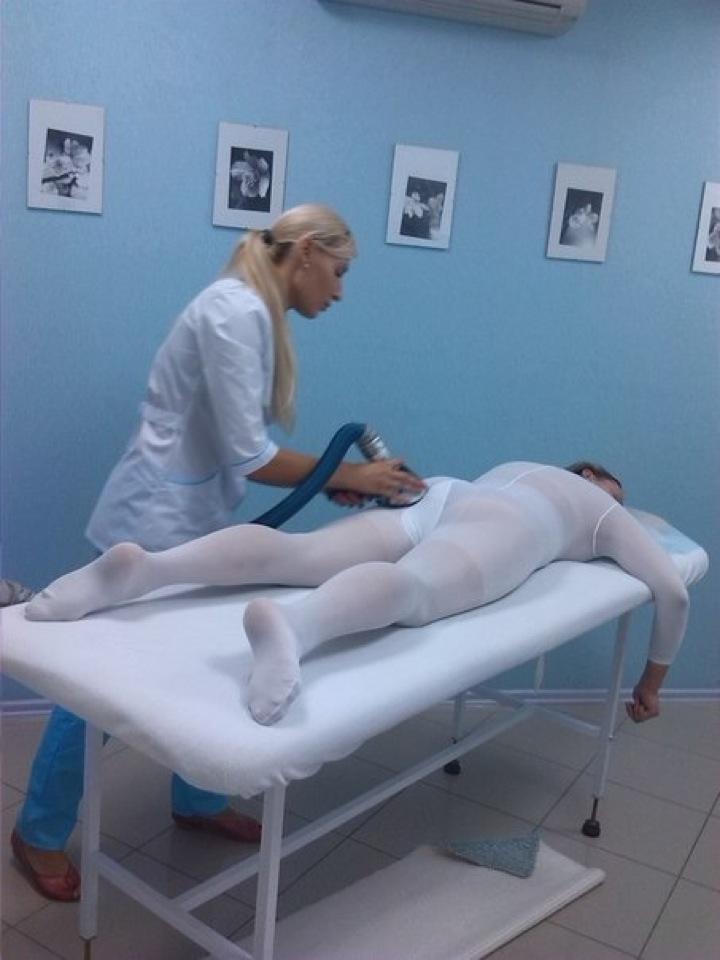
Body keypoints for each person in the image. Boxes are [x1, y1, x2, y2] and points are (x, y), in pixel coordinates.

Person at [12, 203, 425, 903]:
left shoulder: (256, 314)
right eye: (339, 271)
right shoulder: (235, 313)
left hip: (194, 516)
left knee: (208, 655)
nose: (340, 291)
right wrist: (351, 473)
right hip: (152, 519)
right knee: (97, 688)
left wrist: (335, 480)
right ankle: (38, 832)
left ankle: (197, 801)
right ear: (305, 252)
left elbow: (239, 451)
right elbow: (251, 455)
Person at [26, 461, 688, 734]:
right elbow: (671, 590)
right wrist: (653, 683)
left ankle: (148, 569)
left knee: (299, 553)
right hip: (511, 528)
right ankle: (295, 628)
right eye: (617, 492)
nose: (619, 504)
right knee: (416, 590)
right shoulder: (601, 511)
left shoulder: (518, 466)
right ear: (593, 479)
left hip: (447, 492)